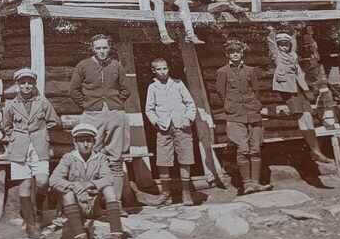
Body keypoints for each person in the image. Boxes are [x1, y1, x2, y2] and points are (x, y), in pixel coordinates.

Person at [49, 123, 131, 239]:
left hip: (93, 205)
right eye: (81, 141)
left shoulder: (100, 158)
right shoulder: (69, 158)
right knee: (67, 193)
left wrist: (90, 184)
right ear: (75, 143)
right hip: (74, 206)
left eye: (89, 141)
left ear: (94, 142)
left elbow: (109, 178)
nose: (85, 144)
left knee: (109, 189)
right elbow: (54, 179)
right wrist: (72, 185)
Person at [68, 34, 131, 200]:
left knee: (116, 158)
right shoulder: (83, 65)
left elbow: (126, 89)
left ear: (109, 48)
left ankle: (115, 203)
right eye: (98, 48)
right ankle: (91, 202)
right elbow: (73, 90)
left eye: (104, 47)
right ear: (92, 48)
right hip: (92, 115)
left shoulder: (116, 65)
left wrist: (116, 103)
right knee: (90, 156)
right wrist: (87, 105)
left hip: (115, 114)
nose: (102, 51)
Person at [2, 68, 60, 239]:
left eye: (29, 83)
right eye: (23, 83)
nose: (26, 86)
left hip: (39, 147)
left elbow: (53, 121)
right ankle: (31, 226)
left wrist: (42, 133)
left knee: (42, 181)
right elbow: (6, 126)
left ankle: (39, 209)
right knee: (25, 185)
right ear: (17, 85)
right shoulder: (11, 105)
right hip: (19, 148)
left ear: (34, 84)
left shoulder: (42, 102)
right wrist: (15, 137)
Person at [268, 28, 335, 165]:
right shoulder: (277, 56)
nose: (283, 47)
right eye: (281, 44)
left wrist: (306, 90)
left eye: (286, 44)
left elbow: (299, 74)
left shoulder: (293, 56)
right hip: (287, 89)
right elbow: (271, 44)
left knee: (308, 116)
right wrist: (272, 31)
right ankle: (315, 150)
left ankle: (316, 151)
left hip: (298, 89)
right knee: (302, 117)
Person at [144, 57, 206, 206]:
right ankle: (166, 193)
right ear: (154, 71)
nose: (162, 72)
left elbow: (190, 103)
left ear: (168, 69)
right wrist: (156, 122)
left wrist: (188, 119)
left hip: (182, 126)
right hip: (164, 128)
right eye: (159, 69)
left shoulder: (178, 84)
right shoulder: (152, 87)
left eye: (165, 68)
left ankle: (186, 193)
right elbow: (149, 109)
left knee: (185, 158)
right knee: (163, 160)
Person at [216, 39, 271, 194]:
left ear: (242, 53)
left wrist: (254, 105)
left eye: (237, 52)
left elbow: (256, 90)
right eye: (232, 52)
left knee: (255, 148)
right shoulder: (222, 72)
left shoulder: (250, 70)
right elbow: (221, 93)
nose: (235, 54)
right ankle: (247, 184)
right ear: (227, 54)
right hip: (235, 114)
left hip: (252, 112)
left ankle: (256, 183)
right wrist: (231, 106)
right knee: (242, 148)